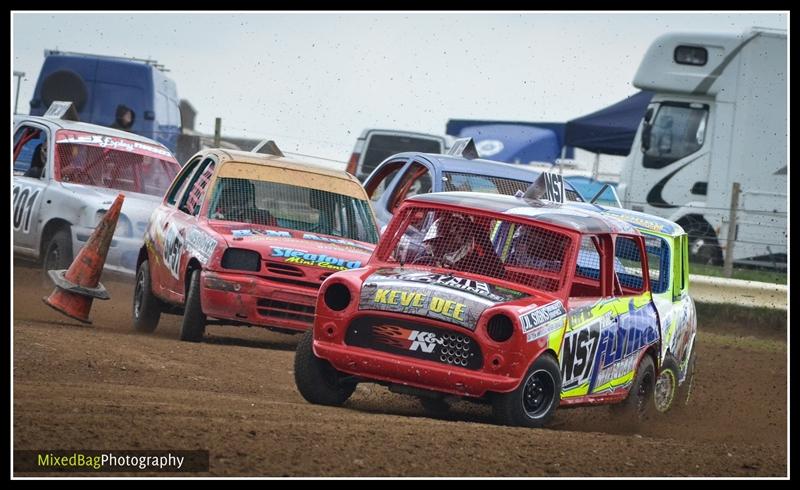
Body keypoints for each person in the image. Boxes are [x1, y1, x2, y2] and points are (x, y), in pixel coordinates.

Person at [417, 213, 504, 278]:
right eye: (438, 241)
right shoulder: (426, 257)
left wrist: (480, 235)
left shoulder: (477, 264)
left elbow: (498, 273)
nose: (442, 245)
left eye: (447, 241)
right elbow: (412, 273)